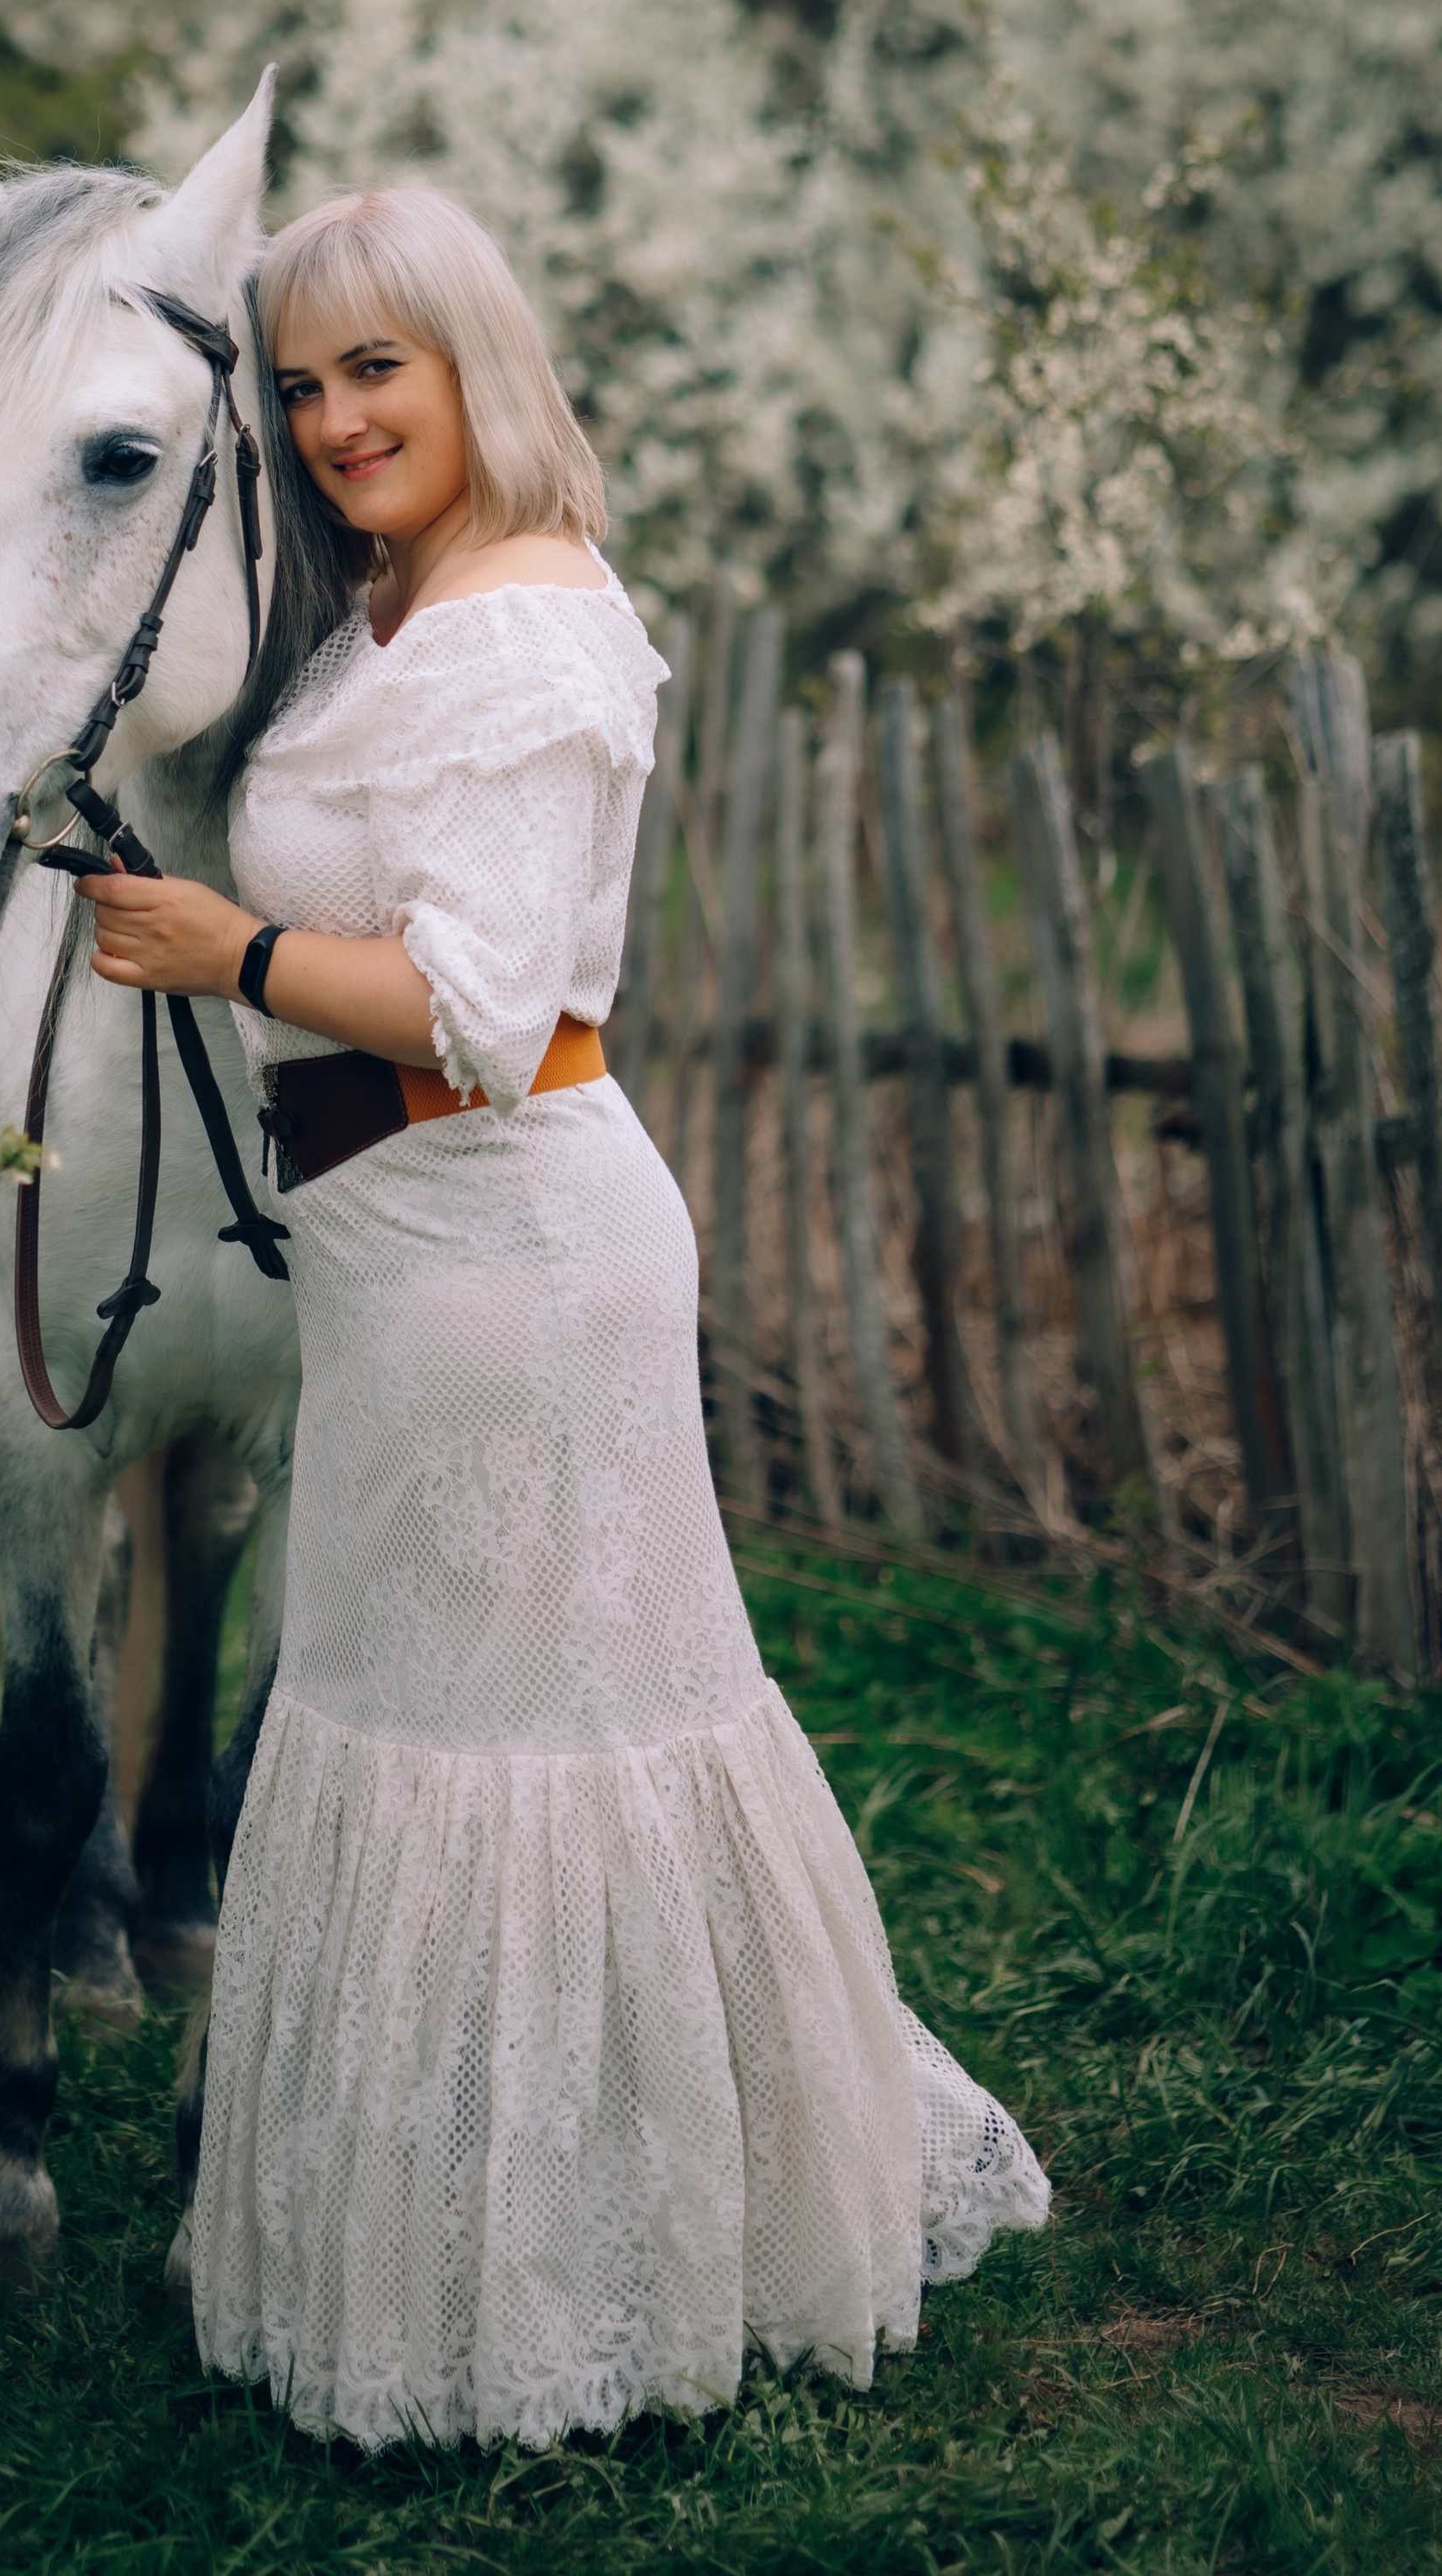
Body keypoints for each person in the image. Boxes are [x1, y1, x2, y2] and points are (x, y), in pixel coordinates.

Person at [77, 184, 1049, 2453]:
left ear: (474, 366)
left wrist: (222, 951)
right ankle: (470, 2241)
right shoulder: (395, 609)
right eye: (300, 387)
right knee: (425, 1721)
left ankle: (599, 2264)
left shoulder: (521, 624)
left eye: (377, 370)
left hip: (509, 1252)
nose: (338, 421)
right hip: (399, 1258)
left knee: (526, 1743)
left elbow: (489, 1008)